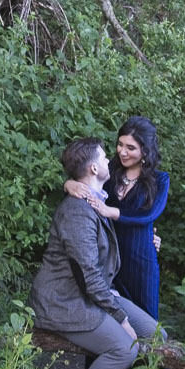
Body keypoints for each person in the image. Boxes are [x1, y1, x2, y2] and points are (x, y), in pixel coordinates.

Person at [29, 137, 165, 369]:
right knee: (125, 349)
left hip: (93, 292)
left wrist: (151, 239)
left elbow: (137, 218)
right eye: (105, 158)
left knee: (156, 336)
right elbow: (87, 275)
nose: (110, 162)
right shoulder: (77, 211)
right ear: (92, 168)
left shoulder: (96, 198)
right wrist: (120, 318)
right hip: (64, 301)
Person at [64, 116, 169, 320]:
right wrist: (68, 184)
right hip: (106, 256)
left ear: (145, 151)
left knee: (146, 326)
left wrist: (108, 210)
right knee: (105, 317)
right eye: (120, 144)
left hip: (140, 261)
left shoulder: (159, 180)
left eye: (131, 148)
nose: (122, 151)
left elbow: (148, 215)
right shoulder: (109, 169)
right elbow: (84, 180)